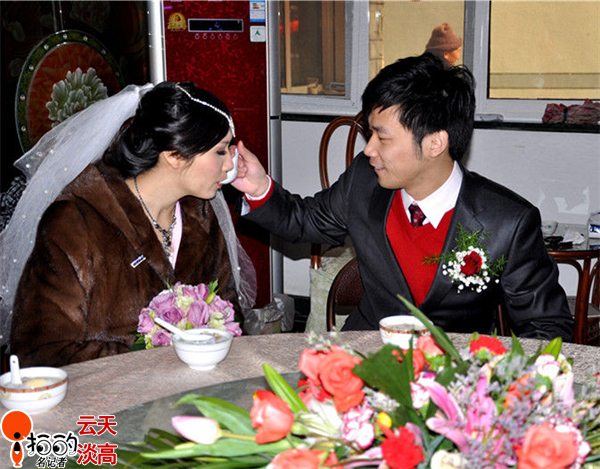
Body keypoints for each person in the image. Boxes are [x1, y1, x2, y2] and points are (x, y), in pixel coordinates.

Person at [231, 53, 574, 342]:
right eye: (369, 134)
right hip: (366, 355)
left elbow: (545, 327)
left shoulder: (506, 222)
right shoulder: (364, 182)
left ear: (435, 143)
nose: (369, 150)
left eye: (382, 137)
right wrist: (259, 188)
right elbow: (304, 220)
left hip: (453, 375)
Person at [1, 82, 256, 367]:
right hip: (102, 394)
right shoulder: (76, 222)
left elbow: (229, 313)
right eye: (221, 151)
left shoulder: (201, 216)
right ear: (174, 154)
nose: (230, 165)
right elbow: (41, 351)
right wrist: (154, 357)